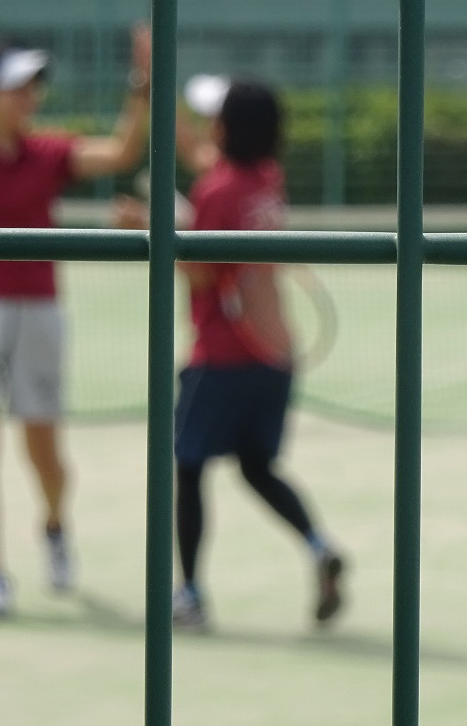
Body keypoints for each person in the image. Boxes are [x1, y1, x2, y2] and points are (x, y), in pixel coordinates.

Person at [0, 28, 151, 620]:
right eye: (16, 86)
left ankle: (54, 526)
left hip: (37, 308)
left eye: (33, 85)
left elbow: (122, 152)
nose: (30, 95)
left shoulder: (50, 154)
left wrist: (143, 84)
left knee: (45, 454)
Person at [160, 77, 348, 632]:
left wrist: (151, 230)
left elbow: (200, 274)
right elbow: (199, 157)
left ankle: (190, 595)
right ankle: (319, 547)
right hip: (274, 356)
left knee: (189, 468)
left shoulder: (215, 192)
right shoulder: (268, 179)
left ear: (226, 128)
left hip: (222, 356)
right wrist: (156, 94)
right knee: (256, 466)